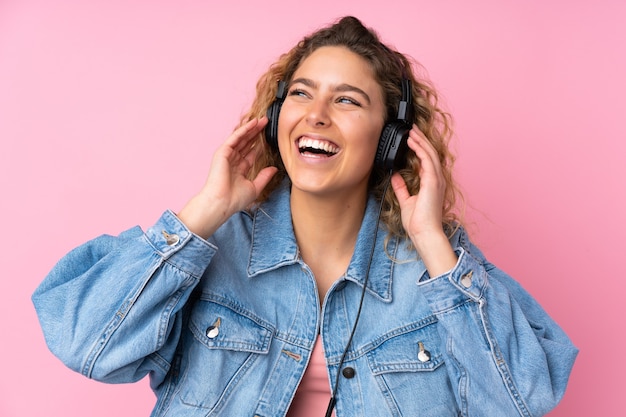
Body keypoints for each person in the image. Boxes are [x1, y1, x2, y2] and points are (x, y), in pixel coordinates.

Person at [32, 16, 577, 417]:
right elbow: (87, 347)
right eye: (301, 94)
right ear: (276, 120)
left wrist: (433, 243)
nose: (315, 115)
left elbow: (521, 401)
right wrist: (202, 213)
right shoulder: (211, 248)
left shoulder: (437, 273)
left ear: (390, 139)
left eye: (347, 101)